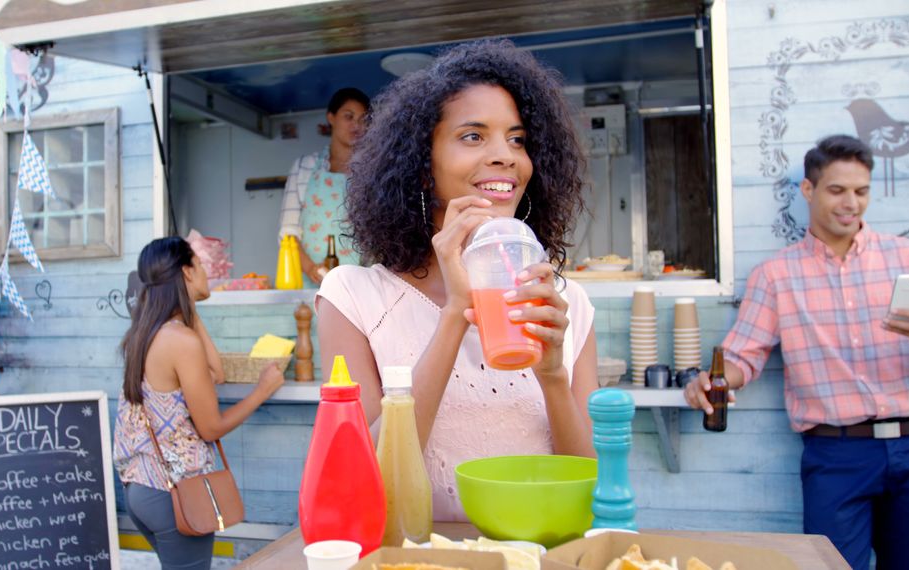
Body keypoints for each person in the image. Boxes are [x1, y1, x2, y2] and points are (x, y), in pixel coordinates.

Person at [316, 40, 598, 522]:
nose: (505, 156)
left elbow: (586, 482)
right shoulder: (354, 296)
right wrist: (454, 316)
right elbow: (359, 480)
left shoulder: (566, 302)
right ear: (422, 168)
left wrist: (553, 376)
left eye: (518, 139)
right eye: (473, 136)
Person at [684, 135, 909, 570]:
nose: (851, 203)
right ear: (809, 190)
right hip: (836, 455)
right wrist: (711, 380)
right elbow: (741, 357)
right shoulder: (776, 275)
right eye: (837, 190)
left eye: (861, 191)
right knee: (832, 566)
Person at [113, 237, 283, 569]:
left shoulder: (147, 332)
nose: (207, 272)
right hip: (175, 494)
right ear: (186, 272)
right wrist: (262, 391)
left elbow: (215, 372)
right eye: (201, 265)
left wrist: (190, 305)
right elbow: (210, 428)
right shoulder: (181, 341)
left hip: (142, 491)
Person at [277, 87, 370, 284]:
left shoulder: (373, 172)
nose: (356, 125)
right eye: (349, 116)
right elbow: (288, 232)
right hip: (311, 283)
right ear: (331, 117)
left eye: (363, 119)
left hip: (360, 284)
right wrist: (312, 269)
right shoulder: (304, 167)